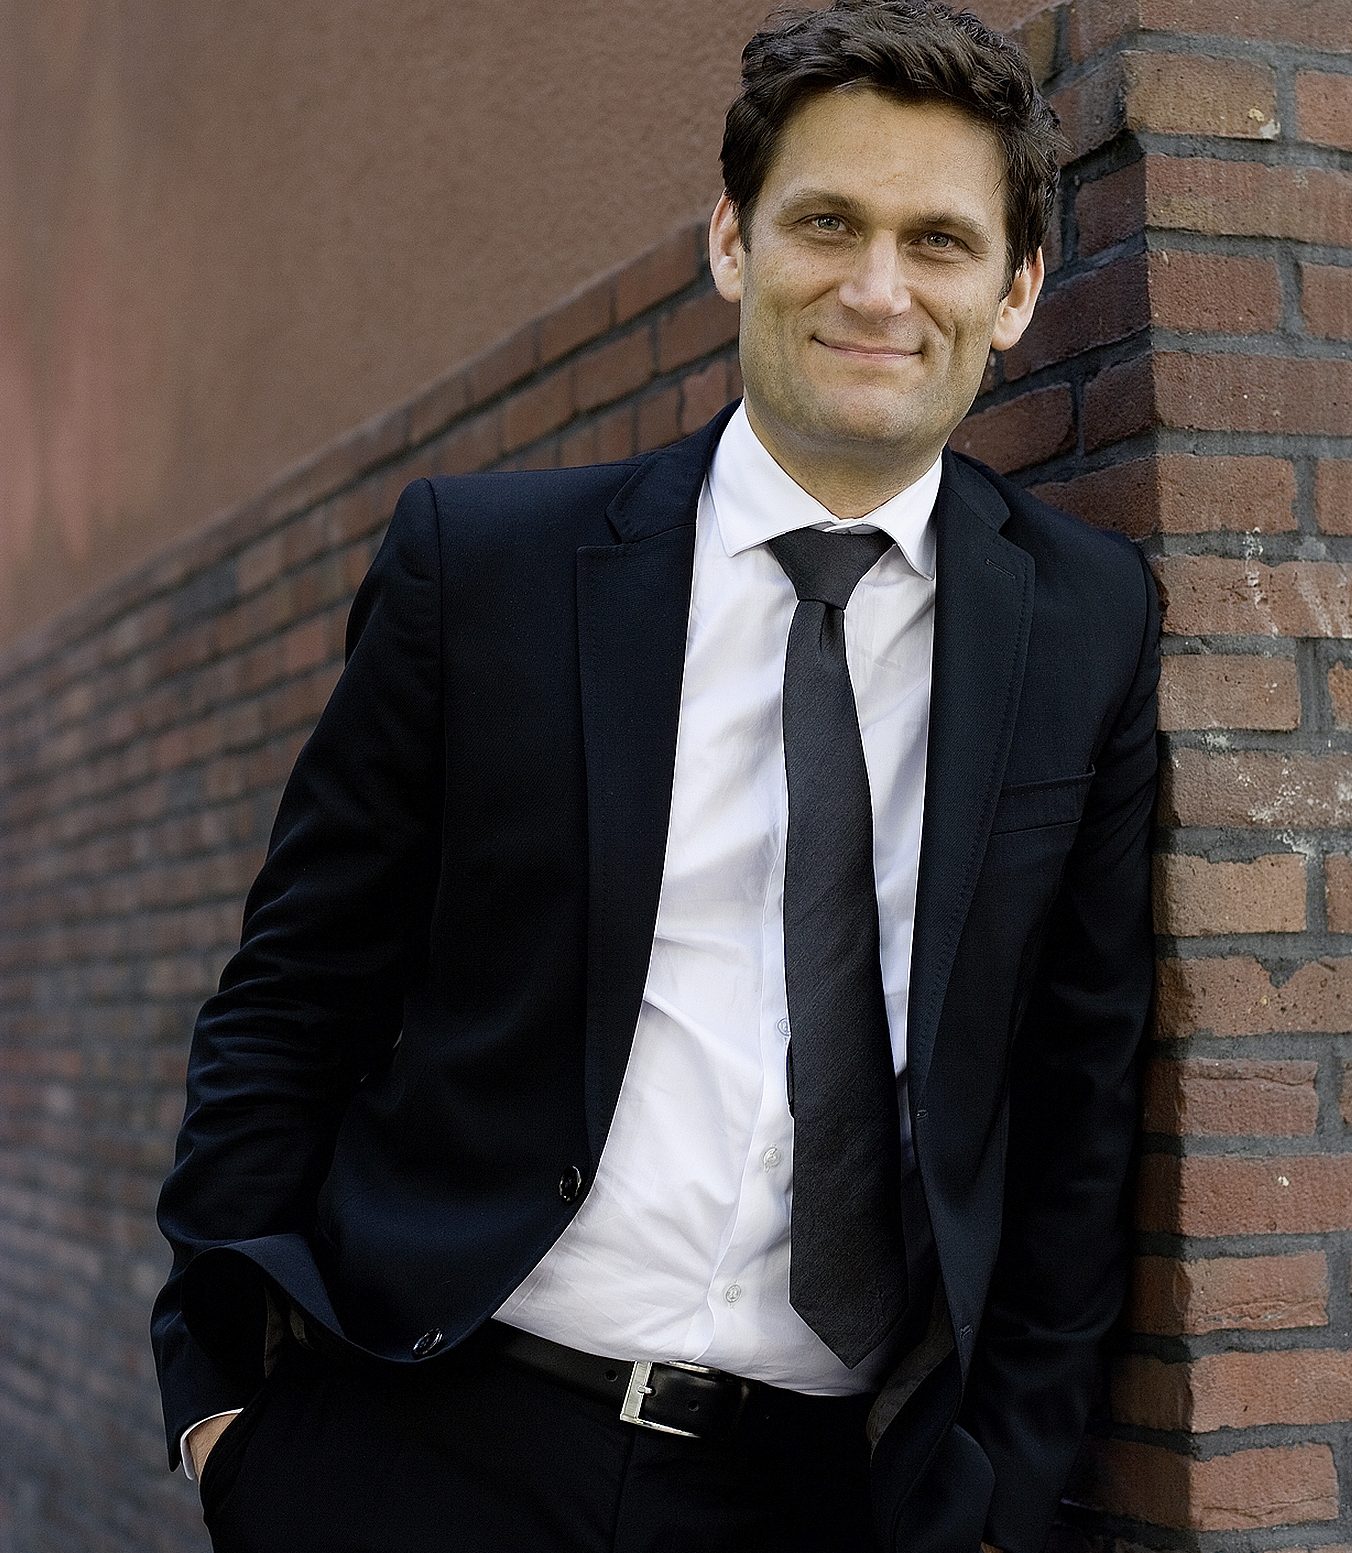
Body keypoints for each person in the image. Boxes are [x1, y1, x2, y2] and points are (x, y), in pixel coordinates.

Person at [151, 3, 1161, 1550]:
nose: (877, 288)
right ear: (731, 242)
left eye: (938, 242)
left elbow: (1078, 1089)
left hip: (802, 1495)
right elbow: (295, 988)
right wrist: (224, 1404)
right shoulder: (484, 569)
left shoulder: (1083, 624)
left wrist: (999, 1500)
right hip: (418, 1444)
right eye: (826, 222)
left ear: (1016, 289)